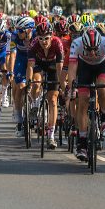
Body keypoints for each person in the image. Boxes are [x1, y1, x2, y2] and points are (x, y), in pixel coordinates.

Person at [68, 28, 105, 161]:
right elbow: (72, 70)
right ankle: (82, 143)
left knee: (103, 88)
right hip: (85, 67)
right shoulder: (76, 44)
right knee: (82, 102)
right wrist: (72, 88)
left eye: (95, 49)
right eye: (89, 49)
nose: (93, 52)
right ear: (83, 44)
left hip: (102, 66)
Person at [26, 21, 64, 149]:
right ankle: (35, 105)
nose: (43, 41)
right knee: (36, 83)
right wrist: (29, 82)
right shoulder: (34, 44)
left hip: (53, 66)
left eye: (46, 38)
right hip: (39, 64)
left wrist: (61, 84)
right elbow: (30, 67)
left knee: (53, 100)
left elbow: (59, 68)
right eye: (40, 38)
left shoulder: (57, 43)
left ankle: (51, 136)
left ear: (52, 36)